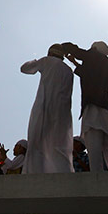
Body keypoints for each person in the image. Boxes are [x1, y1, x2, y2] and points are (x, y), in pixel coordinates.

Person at [64, 41, 108, 172]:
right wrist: (75, 62)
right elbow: (89, 76)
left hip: (93, 108)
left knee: (94, 149)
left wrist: (61, 48)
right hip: (106, 108)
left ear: (95, 49)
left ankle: (97, 180)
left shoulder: (93, 55)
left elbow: (76, 50)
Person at [21, 44, 74, 174]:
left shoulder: (46, 61)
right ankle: (64, 174)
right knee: (60, 145)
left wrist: (36, 60)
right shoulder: (69, 70)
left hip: (45, 107)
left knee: (37, 142)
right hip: (63, 112)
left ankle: (35, 174)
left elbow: (24, 68)